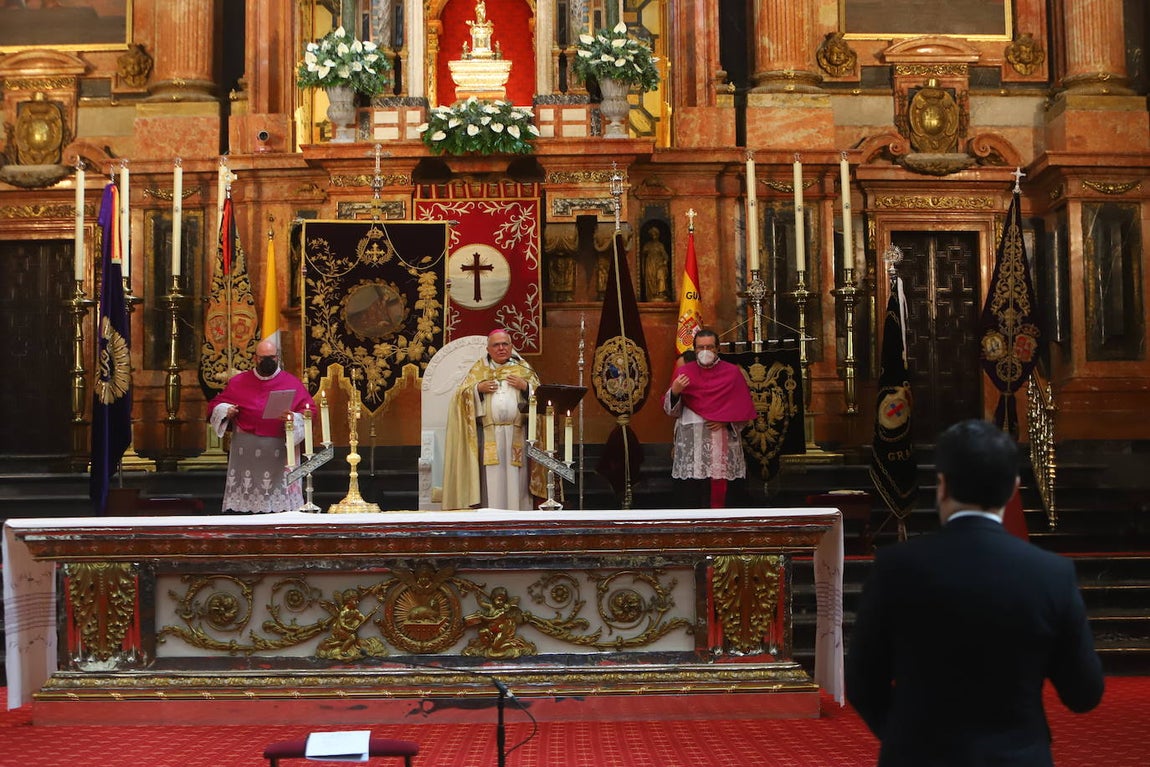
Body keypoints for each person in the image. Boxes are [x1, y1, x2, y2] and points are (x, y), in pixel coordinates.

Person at [846, 419, 1104, 767]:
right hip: (1017, 757)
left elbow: (863, 681)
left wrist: (906, 735)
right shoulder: (1051, 574)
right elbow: (1083, 693)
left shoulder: (895, 567)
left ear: (942, 486)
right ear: (1013, 488)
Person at [208, 339, 315, 513]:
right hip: (247, 456)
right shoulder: (239, 382)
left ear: (278, 357)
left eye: (271, 357)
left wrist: (293, 418)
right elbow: (216, 405)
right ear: (255, 358)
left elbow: (310, 411)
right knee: (246, 509)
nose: (267, 361)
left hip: (280, 454)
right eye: (262, 357)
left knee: (282, 510)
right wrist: (227, 410)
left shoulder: (292, 383)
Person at [442, 329, 544, 510]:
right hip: (489, 434)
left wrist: (526, 387)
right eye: (496, 345)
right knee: (492, 479)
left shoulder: (524, 369)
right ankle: (493, 516)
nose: (501, 348)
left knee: (517, 480)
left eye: (505, 344)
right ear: (488, 349)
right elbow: (459, 397)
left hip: (517, 433)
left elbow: (543, 400)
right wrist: (477, 389)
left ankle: (519, 518)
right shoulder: (478, 370)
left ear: (512, 347)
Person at [662, 328, 756, 508]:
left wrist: (725, 420)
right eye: (700, 347)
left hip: (721, 443)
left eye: (710, 347)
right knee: (691, 497)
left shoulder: (732, 373)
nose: (705, 351)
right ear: (694, 349)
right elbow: (672, 412)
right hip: (693, 445)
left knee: (721, 497)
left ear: (718, 348)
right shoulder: (684, 372)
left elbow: (743, 411)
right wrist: (674, 391)